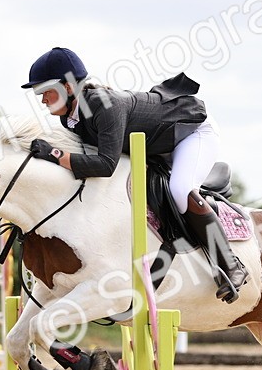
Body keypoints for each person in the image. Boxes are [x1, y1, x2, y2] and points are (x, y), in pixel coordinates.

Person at [21, 47, 248, 303]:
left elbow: (105, 165)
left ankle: (231, 264)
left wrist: (55, 154)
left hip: (192, 134)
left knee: (180, 190)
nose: (42, 100)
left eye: (45, 92)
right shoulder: (70, 119)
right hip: (154, 145)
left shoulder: (102, 106)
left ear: (69, 87)